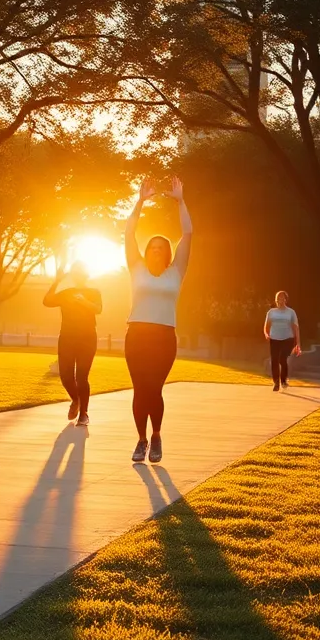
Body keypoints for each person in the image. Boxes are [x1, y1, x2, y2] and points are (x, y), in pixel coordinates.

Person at [124, 175, 193, 464]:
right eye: (151, 247)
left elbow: (188, 235)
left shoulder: (176, 271)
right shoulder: (136, 268)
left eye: (160, 248)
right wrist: (139, 202)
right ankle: (141, 439)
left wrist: (181, 202)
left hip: (164, 337)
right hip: (137, 334)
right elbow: (128, 234)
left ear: (167, 254)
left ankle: (157, 435)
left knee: (155, 388)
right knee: (140, 389)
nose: (155, 250)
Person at [42, 261, 102, 426]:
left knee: (82, 377)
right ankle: (76, 400)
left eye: (81, 271)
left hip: (87, 338)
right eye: (75, 271)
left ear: (86, 274)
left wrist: (83, 301)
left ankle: (84, 414)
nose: (78, 274)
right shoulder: (66, 292)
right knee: (66, 375)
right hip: (67, 337)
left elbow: (98, 309)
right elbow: (46, 301)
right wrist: (57, 280)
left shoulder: (94, 292)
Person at [264, 291, 301, 391]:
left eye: (282, 298)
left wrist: (298, 344)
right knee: (274, 360)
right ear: (276, 300)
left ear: (285, 299)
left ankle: (283, 380)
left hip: (288, 339)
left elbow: (296, 328)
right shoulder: (271, 312)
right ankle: (276, 382)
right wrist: (266, 334)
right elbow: (266, 326)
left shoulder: (291, 312)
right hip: (274, 339)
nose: (280, 300)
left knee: (282, 359)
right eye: (278, 298)